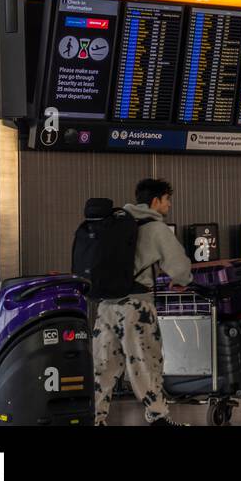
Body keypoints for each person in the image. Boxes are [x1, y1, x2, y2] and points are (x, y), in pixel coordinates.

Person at [92, 178, 192, 427]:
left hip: (106, 305)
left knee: (103, 366)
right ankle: (158, 417)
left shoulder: (113, 223)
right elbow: (179, 268)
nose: (169, 206)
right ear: (155, 201)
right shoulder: (156, 228)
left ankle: (95, 417)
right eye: (167, 200)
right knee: (145, 363)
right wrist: (183, 280)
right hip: (136, 307)